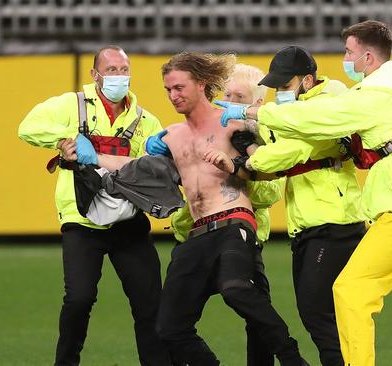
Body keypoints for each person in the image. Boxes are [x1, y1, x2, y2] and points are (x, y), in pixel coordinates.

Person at [216, 21, 392, 366]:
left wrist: (251, 112)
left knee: (351, 293)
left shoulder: (374, 97)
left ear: (368, 57)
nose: (344, 59)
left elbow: (316, 119)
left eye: (348, 53)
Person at [79, 52, 308, 366]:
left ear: (201, 84)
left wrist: (238, 160)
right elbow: (137, 167)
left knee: (236, 289)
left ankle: (292, 357)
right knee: (169, 328)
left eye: (179, 88)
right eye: (168, 90)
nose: (173, 96)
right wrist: (93, 157)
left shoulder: (233, 125)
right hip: (196, 234)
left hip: (233, 223)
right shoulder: (173, 135)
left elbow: (268, 168)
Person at [207, 46, 366, 366]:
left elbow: (288, 153)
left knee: (318, 316)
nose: (280, 93)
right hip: (312, 224)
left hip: (332, 222)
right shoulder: (300, 110)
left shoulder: (325, 106)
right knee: (324, 317)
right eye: (275, 87)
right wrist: (249, 145)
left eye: (284, 86)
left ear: (308, 80)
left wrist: (245, 161)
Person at [18, 46, 171, 366]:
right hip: (81, 219)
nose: (119, 76)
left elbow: (159, 171)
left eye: (124, 69)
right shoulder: (70, 105)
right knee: (79, 299)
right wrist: (64, 139)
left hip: (129, 221)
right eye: (112, 69)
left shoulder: (146, 120)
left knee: (150, 303)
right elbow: (28, 128)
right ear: (95, 74)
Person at [168, 62, 285, 366]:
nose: (229, 102)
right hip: (195, 236)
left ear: (257, 104)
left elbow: (270, 191)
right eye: (227, 94)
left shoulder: (264, 139)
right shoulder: (203, 128)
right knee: (170, 323)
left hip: (240, 232)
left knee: (254, 312)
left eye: (239, 97)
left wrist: (237, 169)